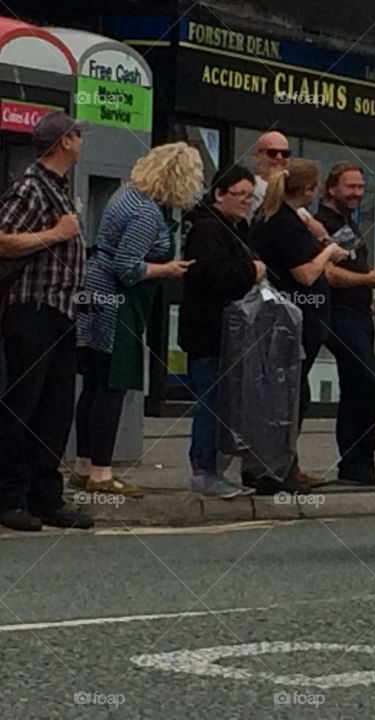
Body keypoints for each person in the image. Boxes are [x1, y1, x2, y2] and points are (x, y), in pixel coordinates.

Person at [71, 143, 202, 497]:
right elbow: (128, 268)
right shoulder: (147, 214)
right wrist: (168, 269)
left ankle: (84, 466)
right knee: (113, 385)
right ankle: (102, 473)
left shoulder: (125, 193)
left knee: (95, 384)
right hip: (118, 304)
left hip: (94, 292)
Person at [0, 112, 93, 531]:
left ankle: (45, 496)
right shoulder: (30, 187)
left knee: (55, 411)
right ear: (62, 142)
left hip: (61, 311)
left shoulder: (58, 188)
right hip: (32, 309)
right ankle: (10, 497)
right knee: (23, 406)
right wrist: (56, 234)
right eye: (76, 133)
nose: (80, 138)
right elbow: (3, 240)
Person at [249, 158, 348, 494]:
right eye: (314, 187)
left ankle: (285, 464)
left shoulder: (278, 218)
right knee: (289, 398)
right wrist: (329, 252)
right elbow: (304, 274)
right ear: (307, 189)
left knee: (290, 395)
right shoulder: (284, 223)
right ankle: (277, 470)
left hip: (296, 320)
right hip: (293, 321)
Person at [179, 166, 263, 497]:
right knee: (210, 404)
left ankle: (215, 468)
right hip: (209, 332)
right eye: (239, 194)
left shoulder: (234, 228)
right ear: (219, 194)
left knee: (224, 403)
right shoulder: (207, 230)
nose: (246, 202)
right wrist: (250, 271)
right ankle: (204, 470)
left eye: (250, 196)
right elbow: (211, 276)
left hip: (228, 335)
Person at [316, 163, 375, 486]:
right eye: (351, 187)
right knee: (368, 378)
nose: (357, 193)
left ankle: (359, 464)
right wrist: (367, 279)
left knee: (359, 384)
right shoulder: (321, 224)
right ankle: (355, 460)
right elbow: (328, 274)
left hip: (359, 313)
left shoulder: (349, 223)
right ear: (332, 188)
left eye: (361, 188)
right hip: (336, 313)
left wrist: (369, 299)